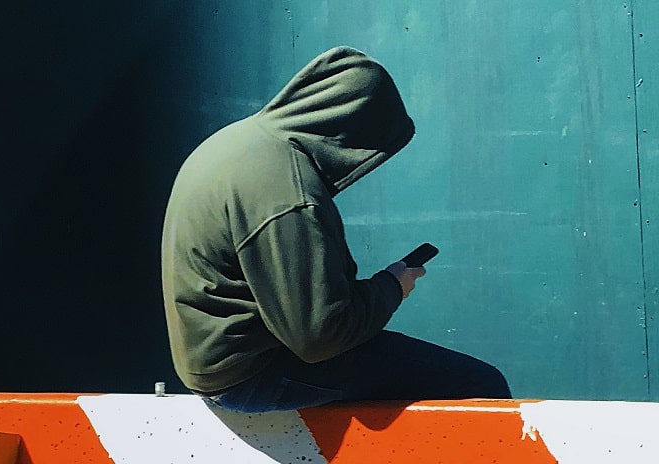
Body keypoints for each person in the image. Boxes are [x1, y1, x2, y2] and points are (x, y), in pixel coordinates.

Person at [160, 46, 510, 412]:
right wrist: (392, 286)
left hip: (215, 365)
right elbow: (320, 338)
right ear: (352, 130)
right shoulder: (288, 191)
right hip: (253, 374)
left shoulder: (238, 143)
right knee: (481, 387)